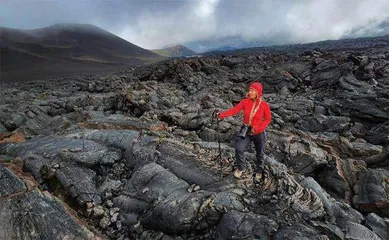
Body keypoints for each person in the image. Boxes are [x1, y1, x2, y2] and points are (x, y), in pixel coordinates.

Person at [217, 82, 271, 181]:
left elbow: (268, 119)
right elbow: (234, 111)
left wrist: (258, 128)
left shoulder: (264, 105)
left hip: (259, 132)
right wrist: (221, 115)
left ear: (258, 93)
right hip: (246, 130)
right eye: (250, 90)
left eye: (252, 91)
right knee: (239, 148)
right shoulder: (245, 102)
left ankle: (259, 170)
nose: (250, 92)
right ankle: (241, 167)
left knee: (260, 153)